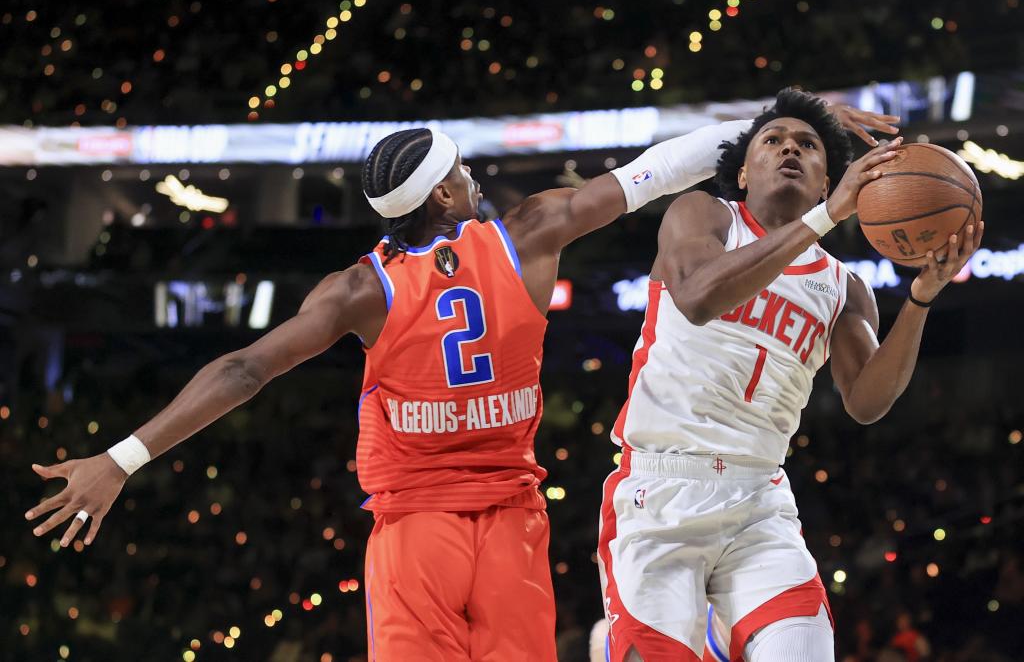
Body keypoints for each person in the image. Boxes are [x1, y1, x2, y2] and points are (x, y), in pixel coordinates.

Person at [25, 107, 894, 659]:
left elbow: (246, 368)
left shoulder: (359, 290)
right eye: (464, 171)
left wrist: (125, 455)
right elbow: (658, 172)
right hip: (511, 520)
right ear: (446, 192)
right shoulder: (525, 237)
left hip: (414, 531)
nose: (476, 178)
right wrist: (784, 111)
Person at [598, 88, 983, 662]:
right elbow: (700, 298)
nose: (789, 149)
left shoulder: (843, 286)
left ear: (829, 182)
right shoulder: (703, 215)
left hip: (758, 498)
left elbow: (866, 402)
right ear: (744, 173)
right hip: (662, 490)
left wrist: (921, 300)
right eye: (772, 140)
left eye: (808, 145)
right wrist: (824, 218)